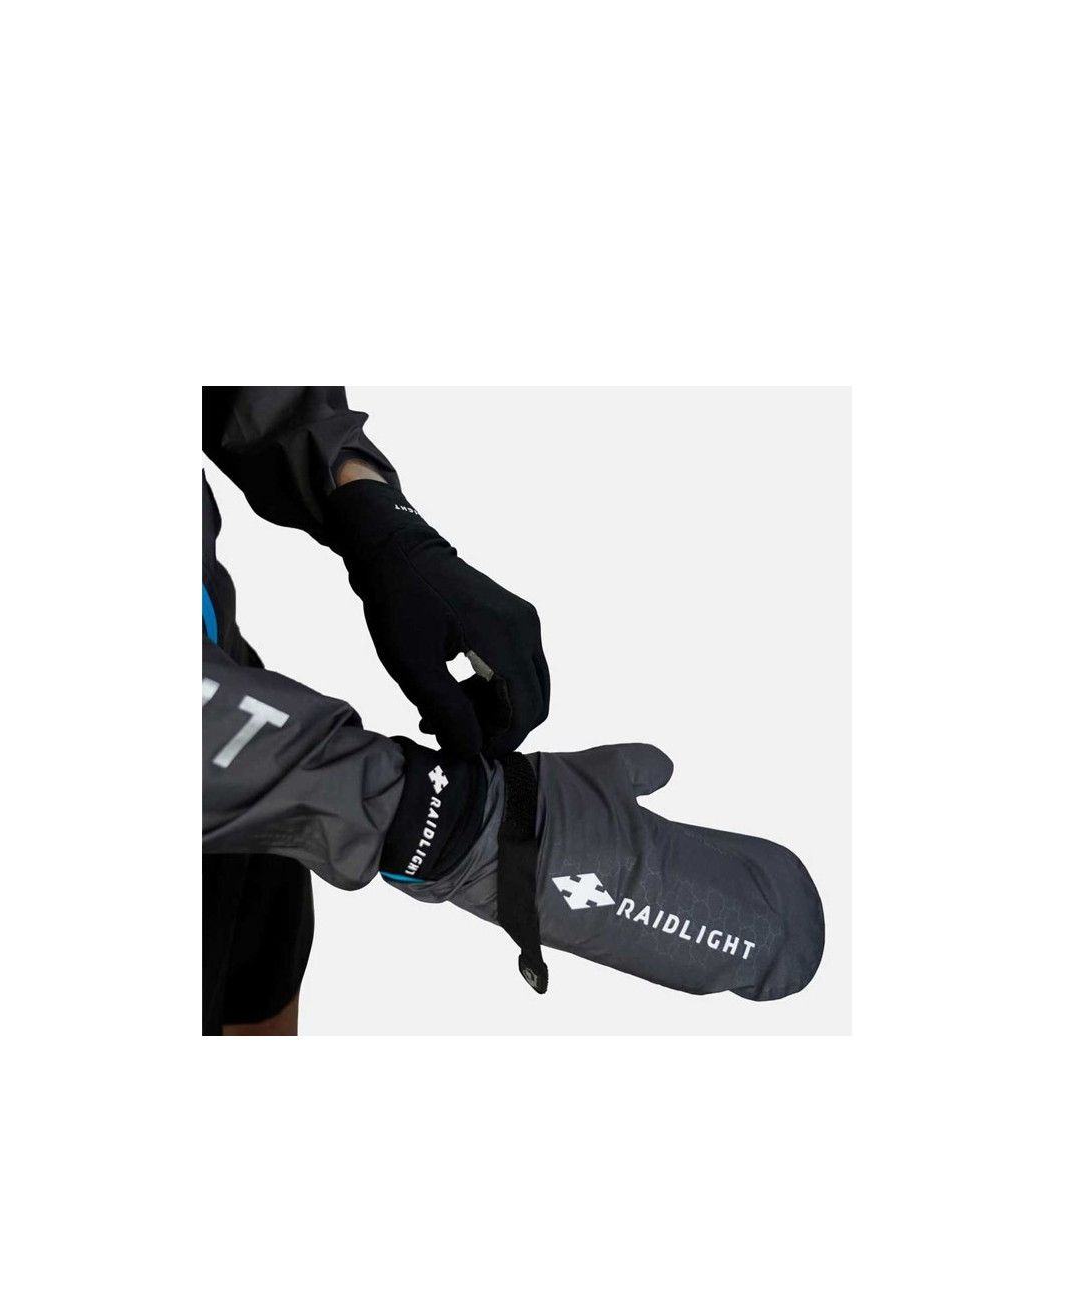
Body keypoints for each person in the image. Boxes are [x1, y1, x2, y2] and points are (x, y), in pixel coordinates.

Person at [203, 387, 825, 1038]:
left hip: (258, 748)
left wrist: (372, 508)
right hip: (253, 773)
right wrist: (442, 818)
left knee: (256, 990)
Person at [202, 386, 549, 1035]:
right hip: (246, 760)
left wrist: (376, 513)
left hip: (251, 726)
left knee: (258, 994)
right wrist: (419, 809)